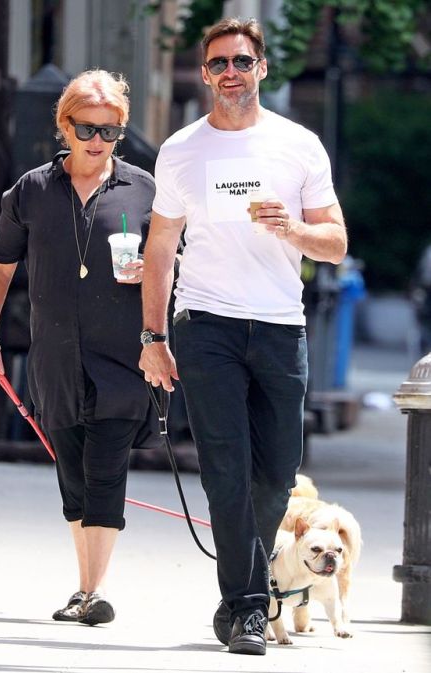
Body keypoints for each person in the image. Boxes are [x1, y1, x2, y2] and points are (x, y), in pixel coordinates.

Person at [139, 17, 347, 656]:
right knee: (226, 472)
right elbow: (159, 250)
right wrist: (153, 337)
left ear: (261, 69)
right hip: (205, 327)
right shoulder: (180, 150)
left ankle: (238, 596)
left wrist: (292, 230)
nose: (231, 71)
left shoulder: (300, 145)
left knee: (276, 475)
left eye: (242, 61)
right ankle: (252, 608)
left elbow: (336, 244)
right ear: (206, 74)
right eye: (219, 63)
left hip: (282, 327)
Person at [0, 68, 163, 626]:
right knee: (74, 476)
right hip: (55, 357)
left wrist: (155, 278)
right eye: (86, 129)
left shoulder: (143, 189)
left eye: (110, 132)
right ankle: (84, 588)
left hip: (121, 356)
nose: (97, 141)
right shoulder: (31, 190)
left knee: (106, 470)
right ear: (65, 126)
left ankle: (92, 591)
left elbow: (173, 262)